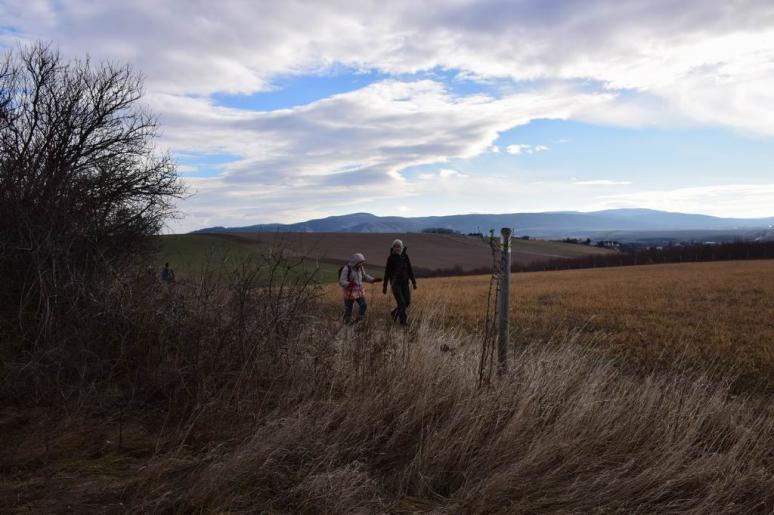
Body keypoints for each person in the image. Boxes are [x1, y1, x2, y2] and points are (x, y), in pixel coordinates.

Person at [339, 253, 381, 324]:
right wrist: (349, 284)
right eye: (360, 263)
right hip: (350, 292)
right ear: (356, 262)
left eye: (362, 263)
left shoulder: (360, 268)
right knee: (348, 310)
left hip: (359, 291)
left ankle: (359, 320)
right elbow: (341, 281)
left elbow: (364, 277)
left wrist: (373, 280)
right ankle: (347, 324)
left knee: (363, 304)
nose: (362, 264)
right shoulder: (347, 269)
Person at [382, 239, 417, 326]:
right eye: (395, 246)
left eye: (399, 246)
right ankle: (403, 323)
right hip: (395, 284)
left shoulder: (405, 257)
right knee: (402, 303)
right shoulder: (390, 259)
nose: (397, 248)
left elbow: (410, 269)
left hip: (405, 283)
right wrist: (385, 286)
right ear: (392, 247)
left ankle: (394, 313)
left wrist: (413, 281)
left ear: (401, 247)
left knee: (407, 302)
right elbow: (387, 273)